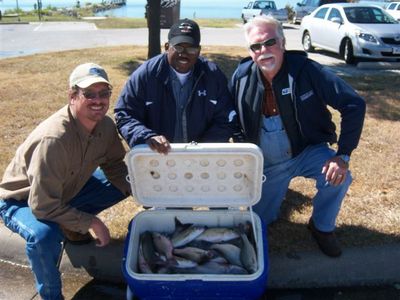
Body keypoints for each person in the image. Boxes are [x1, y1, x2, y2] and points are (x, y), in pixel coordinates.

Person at [230, 16, 365, 257]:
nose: (264, 51)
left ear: (282, 42)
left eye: (270, 42)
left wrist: (342, 155)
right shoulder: (241, 78)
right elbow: (230, 116)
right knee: (258, 223)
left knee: (339, 178)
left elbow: (353, 104)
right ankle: (270, 204)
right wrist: (243, 152)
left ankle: (322, 226)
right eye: (256, 46)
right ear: (250, 52)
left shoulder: (307, 71)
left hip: (307, 151)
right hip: (267, 163)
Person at [0, 63, 131, 300]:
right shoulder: (54, 139)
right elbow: (42, 206)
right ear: (72, 96)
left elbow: (114, 165)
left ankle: (69, 226)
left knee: (127, 181)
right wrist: (90, 222)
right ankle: (51, 294)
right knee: (43, 235)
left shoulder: (106, 126)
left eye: (104, 94)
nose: (98, 101)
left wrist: (143, 191)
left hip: (64, 191)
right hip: (22, 202)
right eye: (89, 94)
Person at [114, 18, 241, 154]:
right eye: (178, 46)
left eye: (191, 48)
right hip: (158, 157)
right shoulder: (146, 75)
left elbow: (227, 117)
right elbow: (125, 114)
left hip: (202, 159)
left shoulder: (213, 75)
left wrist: (203, 148)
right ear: (167, 47)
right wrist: (147, 137)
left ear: (198, 51)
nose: (184, 53)